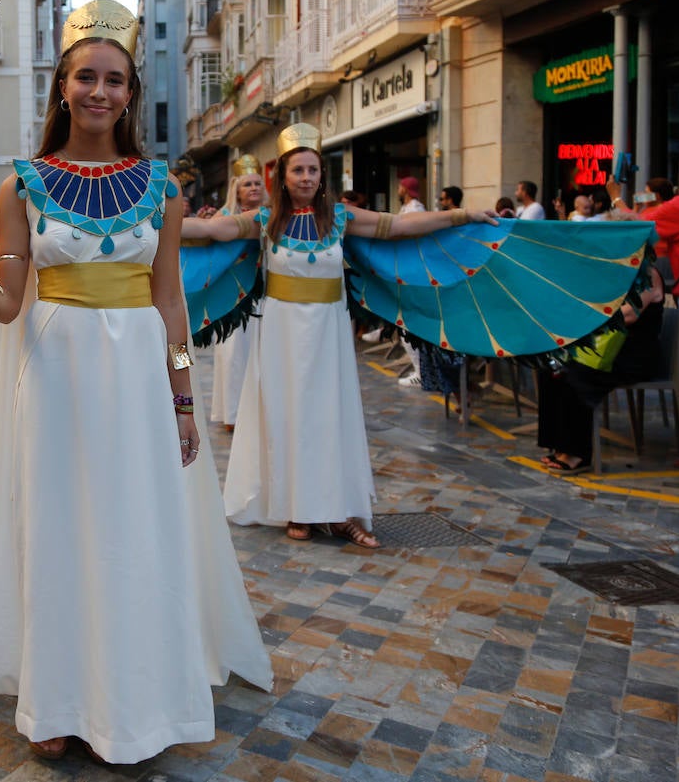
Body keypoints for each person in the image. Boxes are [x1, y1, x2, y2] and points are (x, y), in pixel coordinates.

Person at [0, 0, 272, 764]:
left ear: (130, 92)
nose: (100, 91)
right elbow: (6, 307)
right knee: (58, 534)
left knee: (136, 536)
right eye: (86, 77)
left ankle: (136, 702)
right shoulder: (22, 188)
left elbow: (169, 305)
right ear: (62, 86)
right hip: (55, 381)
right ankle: (58, 702)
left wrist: (183, 398)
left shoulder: (161, 188)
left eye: (115, 80)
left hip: (139, 382)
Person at [189, 123, 497, 549]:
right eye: (298, 170)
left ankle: (339, 512)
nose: (307, 178)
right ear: (284, 176)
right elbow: (208, 233)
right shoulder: (264, 221)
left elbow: (400, 228)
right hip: (280, 338)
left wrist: (463, 216)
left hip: (329, 337)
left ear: (322, 176)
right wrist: (154, 220)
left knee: (330, 418)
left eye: (313, 170)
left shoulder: (340, 218)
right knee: (287, 417)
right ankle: (296, 507)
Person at [537, 265, 664, 472]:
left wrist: (587, 320)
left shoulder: (648, 274)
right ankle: (559, 444)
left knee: (575, 373)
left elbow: (630, 314)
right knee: (551, 367)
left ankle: (578, 453)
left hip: (632, 355)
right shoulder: (615, 271)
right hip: (607, 349)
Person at [183, 155, 267, 430]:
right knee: (233, 355)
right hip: (230, 297)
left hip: (265, 294)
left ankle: (260, 412)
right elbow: (206, 240)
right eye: (247, 184)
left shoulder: (274, 214)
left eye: (257, 183)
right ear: (237, 190)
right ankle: (232, 415)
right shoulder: (226, 217)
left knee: (262, 356)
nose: (254, 188)